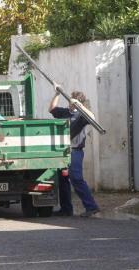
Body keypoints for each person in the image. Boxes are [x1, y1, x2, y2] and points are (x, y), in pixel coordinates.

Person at [49, 85, 99, 217]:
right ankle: (66, 209)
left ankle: (91, 207)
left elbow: (92, 117)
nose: (71, 105)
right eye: (70, 102)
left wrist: (80, 106)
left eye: (73, 103)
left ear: (78, 104)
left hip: (75, 151)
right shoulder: (65, 112)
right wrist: (57, 94)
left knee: (76, 178)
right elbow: (52, 109)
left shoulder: (82, 116)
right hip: (62, 151)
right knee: (62, 180)